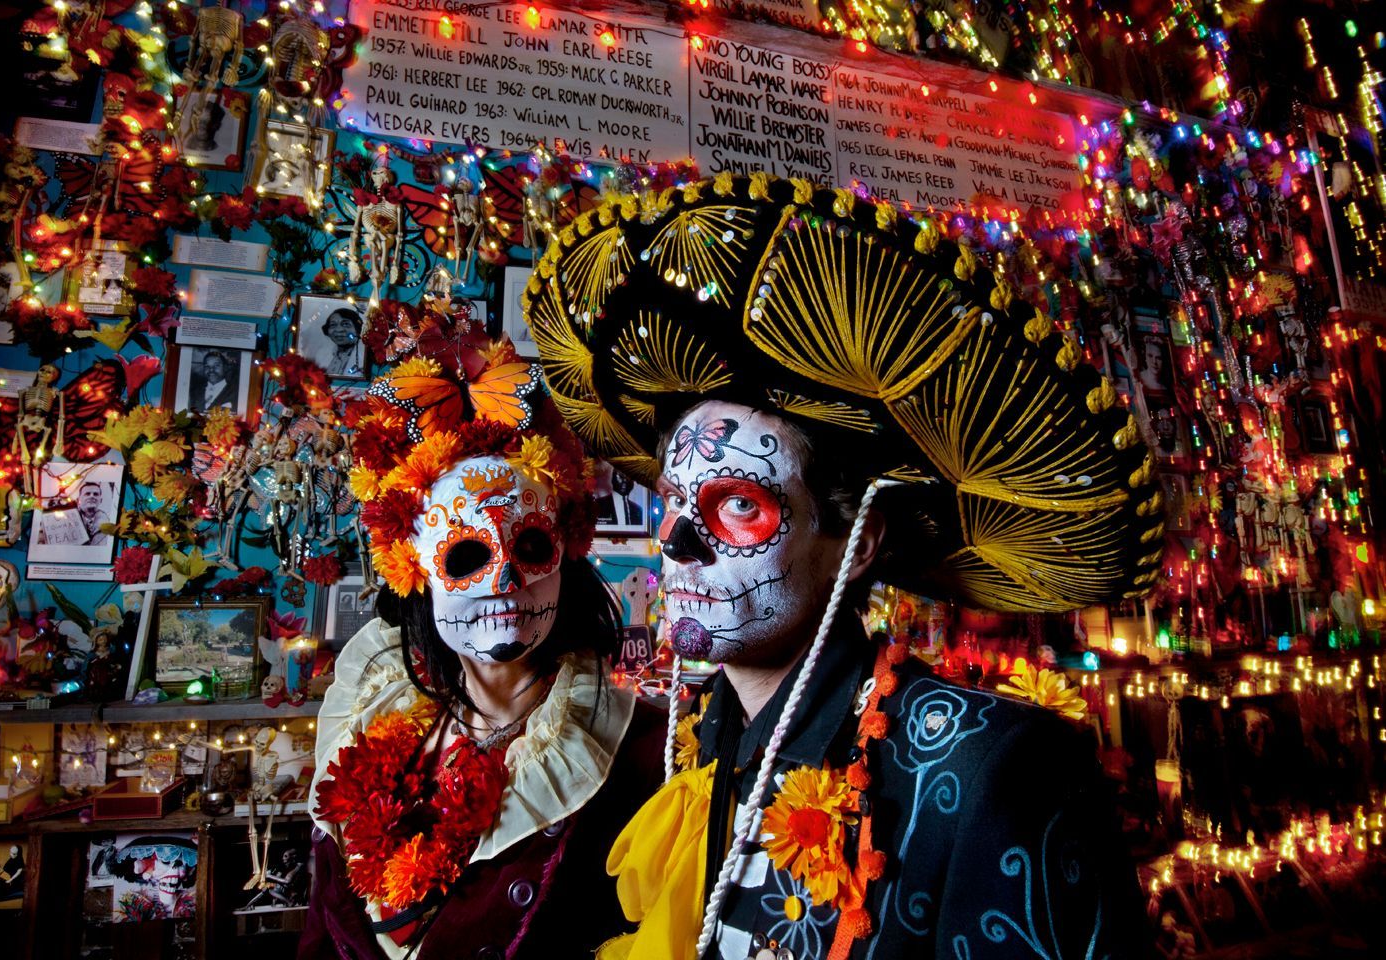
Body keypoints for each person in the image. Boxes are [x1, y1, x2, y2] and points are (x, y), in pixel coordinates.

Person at [522, 172, 1155, 958]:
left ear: (855, 544)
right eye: (674, 502)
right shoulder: (692, 740)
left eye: (738, 504)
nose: (676, 542)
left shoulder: (994, 767)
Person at [302, 311, 665, 959]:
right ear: (414, 569)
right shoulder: (369, 718)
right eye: (466, 556)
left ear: (566, 554)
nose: (505, 582)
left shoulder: (637, 750)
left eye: (531, 547)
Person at [317, 307, 366, 379]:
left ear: (358, 329)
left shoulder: (365, 357)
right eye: (333, 325)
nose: (339, 329)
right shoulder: (321, 355)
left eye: (346, 324)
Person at [76, 480, 108, 545]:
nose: (92, 496)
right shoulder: (70, 520)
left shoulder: (107, 523)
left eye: (95, 494)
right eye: (87, 494)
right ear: (78, 500)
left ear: (100, 500)